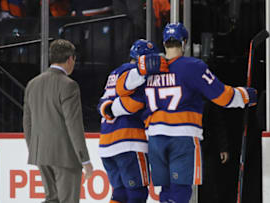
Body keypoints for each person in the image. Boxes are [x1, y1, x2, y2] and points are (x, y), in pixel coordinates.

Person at [104, 22, 257, 203]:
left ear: (164, 42)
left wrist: (110, 110)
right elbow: (222, 96)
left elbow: (126, 95)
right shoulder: (193, 66)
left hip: (155, 140)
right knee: (180, 192)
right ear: (184, 42)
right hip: (182, 138)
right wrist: (246, 96)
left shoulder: (151, 71)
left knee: (166, 191)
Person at [23, 39, 93, 203]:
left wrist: (35, 150)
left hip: (41, 154)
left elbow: (27, 123)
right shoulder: (69, 85)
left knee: (52, 199)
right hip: (65, 156)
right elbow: (73, 125)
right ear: (70, 59)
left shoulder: (32, 84)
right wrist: (85, 160)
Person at [97, 39, 159, 203]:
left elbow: (101, 105)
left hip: (106, 145)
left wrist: (110, 110)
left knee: (120, 194)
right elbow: (136, 103)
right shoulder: (138, 74)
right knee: (137, 193)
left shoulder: (114, 73)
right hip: (129, 143)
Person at [199, 101, 230, 203]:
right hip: (184, 148)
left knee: (208, 183)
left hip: (206, 146)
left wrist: (223, 147)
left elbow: (217, 122)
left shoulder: (207, 95)